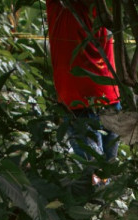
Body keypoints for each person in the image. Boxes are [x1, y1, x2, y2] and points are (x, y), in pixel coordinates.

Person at [46, 0, 121, 163]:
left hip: (81, 101)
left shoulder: (63, 7)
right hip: (108, 99)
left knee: (95, 173)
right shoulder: (103, 10)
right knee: (107, 173)